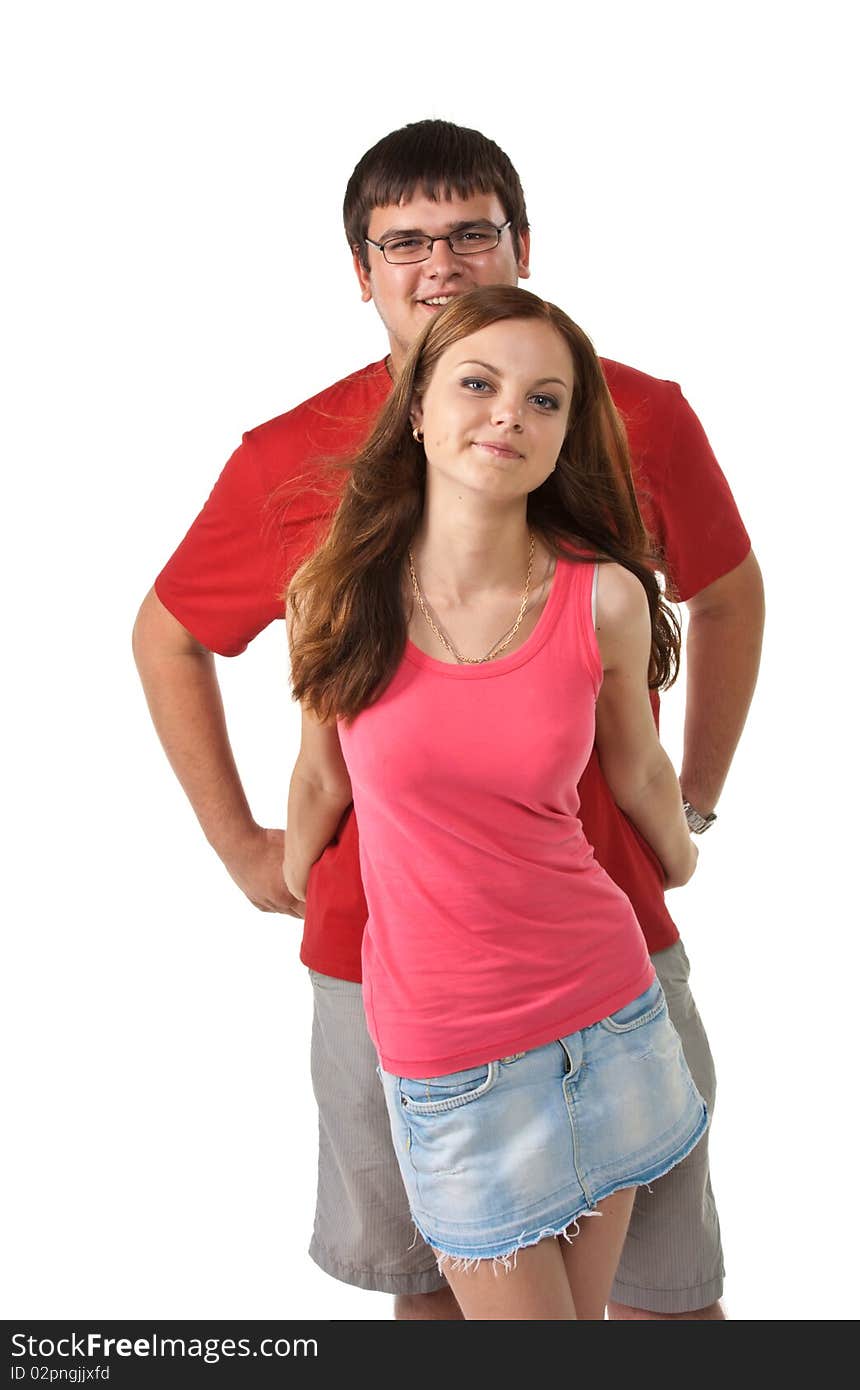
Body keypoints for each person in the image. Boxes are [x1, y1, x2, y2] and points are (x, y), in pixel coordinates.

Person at [132, 118, 764, 1320]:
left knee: (666, 1300)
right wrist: (243, 845)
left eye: (472, 232)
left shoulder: (630, 415)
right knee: (429, 1297)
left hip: (607, 938)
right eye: (403, 241)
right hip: (381, 965)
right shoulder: (287, 461)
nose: (440, 264)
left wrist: (690, 801)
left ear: (522, 247)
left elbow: (725, 595)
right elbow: (166, 634)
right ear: (359, 273)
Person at [282, 285, 710, 1320]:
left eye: (545, 400)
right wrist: (293, 878)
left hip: (609, 1018)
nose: (509, 414)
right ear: (417, 408)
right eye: (478, 384)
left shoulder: (601, 595)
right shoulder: (332, 596)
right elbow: (319, 780)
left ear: (568, 436)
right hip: (451, 1059)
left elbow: (640, 773)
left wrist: (685, 849)